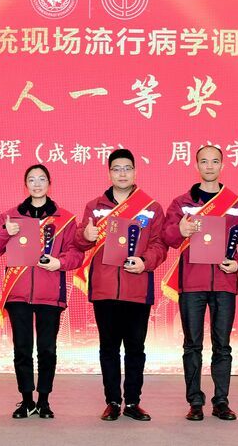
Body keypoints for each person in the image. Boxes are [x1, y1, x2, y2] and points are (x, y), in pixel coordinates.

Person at [161, 145, 238, 421]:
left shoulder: (235, 203)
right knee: (192, 345)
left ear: (222, 165)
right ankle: (195, 401)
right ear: (196, 166)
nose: (209, 166)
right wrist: (180, 230)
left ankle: (221, 401)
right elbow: (167, 237)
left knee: (222, 345)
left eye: (215, 161)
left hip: (224, 282)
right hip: (192, 283)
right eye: (204, 161)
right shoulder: (182, 203)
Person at [74, 148, 168, 421]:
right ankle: (113, 401)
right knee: (109, 348)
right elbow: (80, 241)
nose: (122, 173)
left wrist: (145, 261)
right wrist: (86, 235)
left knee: (135, 349)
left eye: (127, 168)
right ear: (109, 173)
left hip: (137, 288)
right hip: (104, 288)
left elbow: (160, 244)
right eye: (117, 169)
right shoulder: (95, 206)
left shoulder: (151, 207)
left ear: (135, 171)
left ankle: (133, 402)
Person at [0, 164, 83, 419]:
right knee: (22, 349)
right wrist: (5, 232)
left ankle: (44, 400)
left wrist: (59, 262)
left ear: (49, 183)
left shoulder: (65, 219)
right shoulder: (11, 216)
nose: (37, 184)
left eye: (42, 179)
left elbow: (76, 254)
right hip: (17, 293)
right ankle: (27, 400)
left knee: (47, 350)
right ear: (25, 184)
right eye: (32, 179)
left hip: (50, 294)